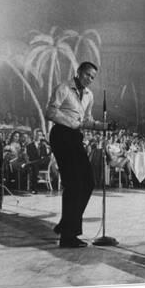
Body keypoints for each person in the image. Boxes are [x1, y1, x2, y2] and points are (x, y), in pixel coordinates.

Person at [46, 61, 111, 248]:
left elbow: (87, 120)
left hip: (75, 137)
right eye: (87, 75)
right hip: (61, 135)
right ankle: (68, 236)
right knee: (73, 184)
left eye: (93, 77)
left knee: (88, 182)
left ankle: (66, 224)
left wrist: (104, 127)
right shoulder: (64, 88)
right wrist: (71, 122)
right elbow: (50, 111)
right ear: (78, 72)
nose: (90, 79)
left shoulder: (89, 95)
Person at [25, 128, 50, 194]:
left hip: (42, 163)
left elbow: (45, 156)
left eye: (40, 135)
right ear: (34, 135)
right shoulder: (29, 146)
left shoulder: (43, 145)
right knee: (34, 166)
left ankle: (34, 186)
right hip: (35, 163)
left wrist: (42, 158)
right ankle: (34, 188)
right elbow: (31, 156)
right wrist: (39, 158)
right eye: (38, 135)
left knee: (44, 160)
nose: (39, 136)